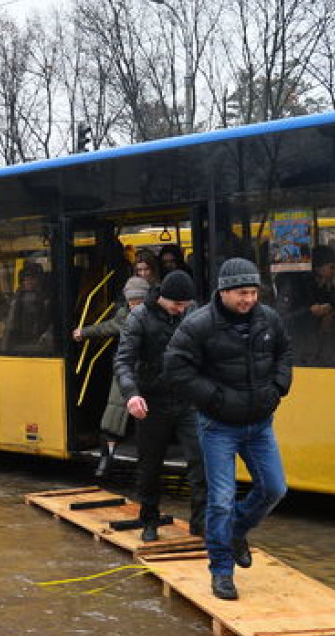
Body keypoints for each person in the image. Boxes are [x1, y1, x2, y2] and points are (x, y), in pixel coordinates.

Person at [164, 257, 292, 600]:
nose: (248, 299)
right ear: (223, 292)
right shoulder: (199, 324)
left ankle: (236, 532)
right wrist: (215, 398)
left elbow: (284, 352)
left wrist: (279, 386)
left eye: (252, 292)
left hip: (260, 423)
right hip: (218, 425)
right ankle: (221, 571)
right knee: (220, 500)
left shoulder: (269, 319)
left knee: (275, 489)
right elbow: (176, 368)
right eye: (241, 293)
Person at [115, 270, 207, 540]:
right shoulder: (139, 317)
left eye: (185, 305)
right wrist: (132, 394)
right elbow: (123, 361)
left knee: (201, 463)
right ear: (162, 298)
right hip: (151, 400)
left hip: (188, 399)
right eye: (176, 305)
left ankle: (200, 525)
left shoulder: (194, 313)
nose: (181, 310)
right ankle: (149, 520)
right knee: (149, 466)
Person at [73, 276, 150, 478]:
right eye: (132, 301)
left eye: (139, 300)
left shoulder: (156, 316)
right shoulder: (124, 316)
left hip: (147, 372)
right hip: (126, 370)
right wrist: (84, 332)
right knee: (113, 416)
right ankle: (107, 458)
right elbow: (105, 328)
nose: (135, 305)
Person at [2, 263, 53, 351]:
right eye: (25, 279)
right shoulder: (16, 299)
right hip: (20, 342)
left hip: (42, 343)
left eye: (32, 278)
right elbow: (10, 324)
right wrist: (4, 346)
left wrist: (47, 335)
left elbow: (54, 322)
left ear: (40, 280)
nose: (29, 282)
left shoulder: (49, 299)